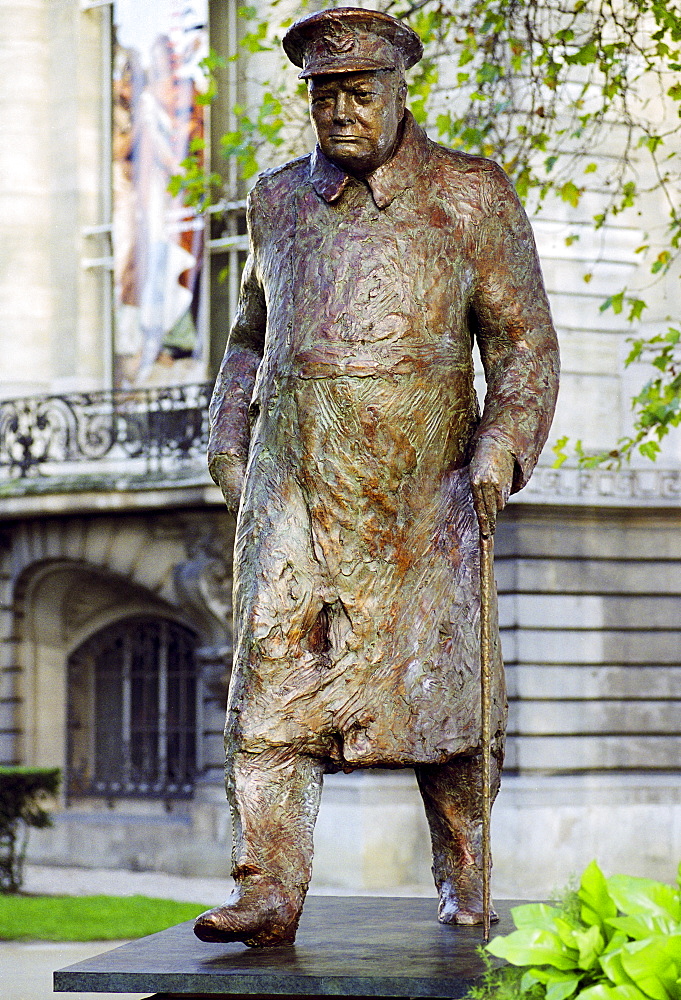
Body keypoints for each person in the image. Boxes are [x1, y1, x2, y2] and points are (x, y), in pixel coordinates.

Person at [195, 7, 559, 948]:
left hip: (423, 486)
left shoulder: (470, 195)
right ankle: (268, 883)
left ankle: (465, 866)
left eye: (358, 92)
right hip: (297, 483)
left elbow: (521, 344)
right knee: (271, 687)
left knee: (444, 689)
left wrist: (502, 446)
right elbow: (248, 340)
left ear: (400, 94)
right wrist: (227, 430)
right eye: (324, 95)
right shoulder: (275, 201)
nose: (340, 112)